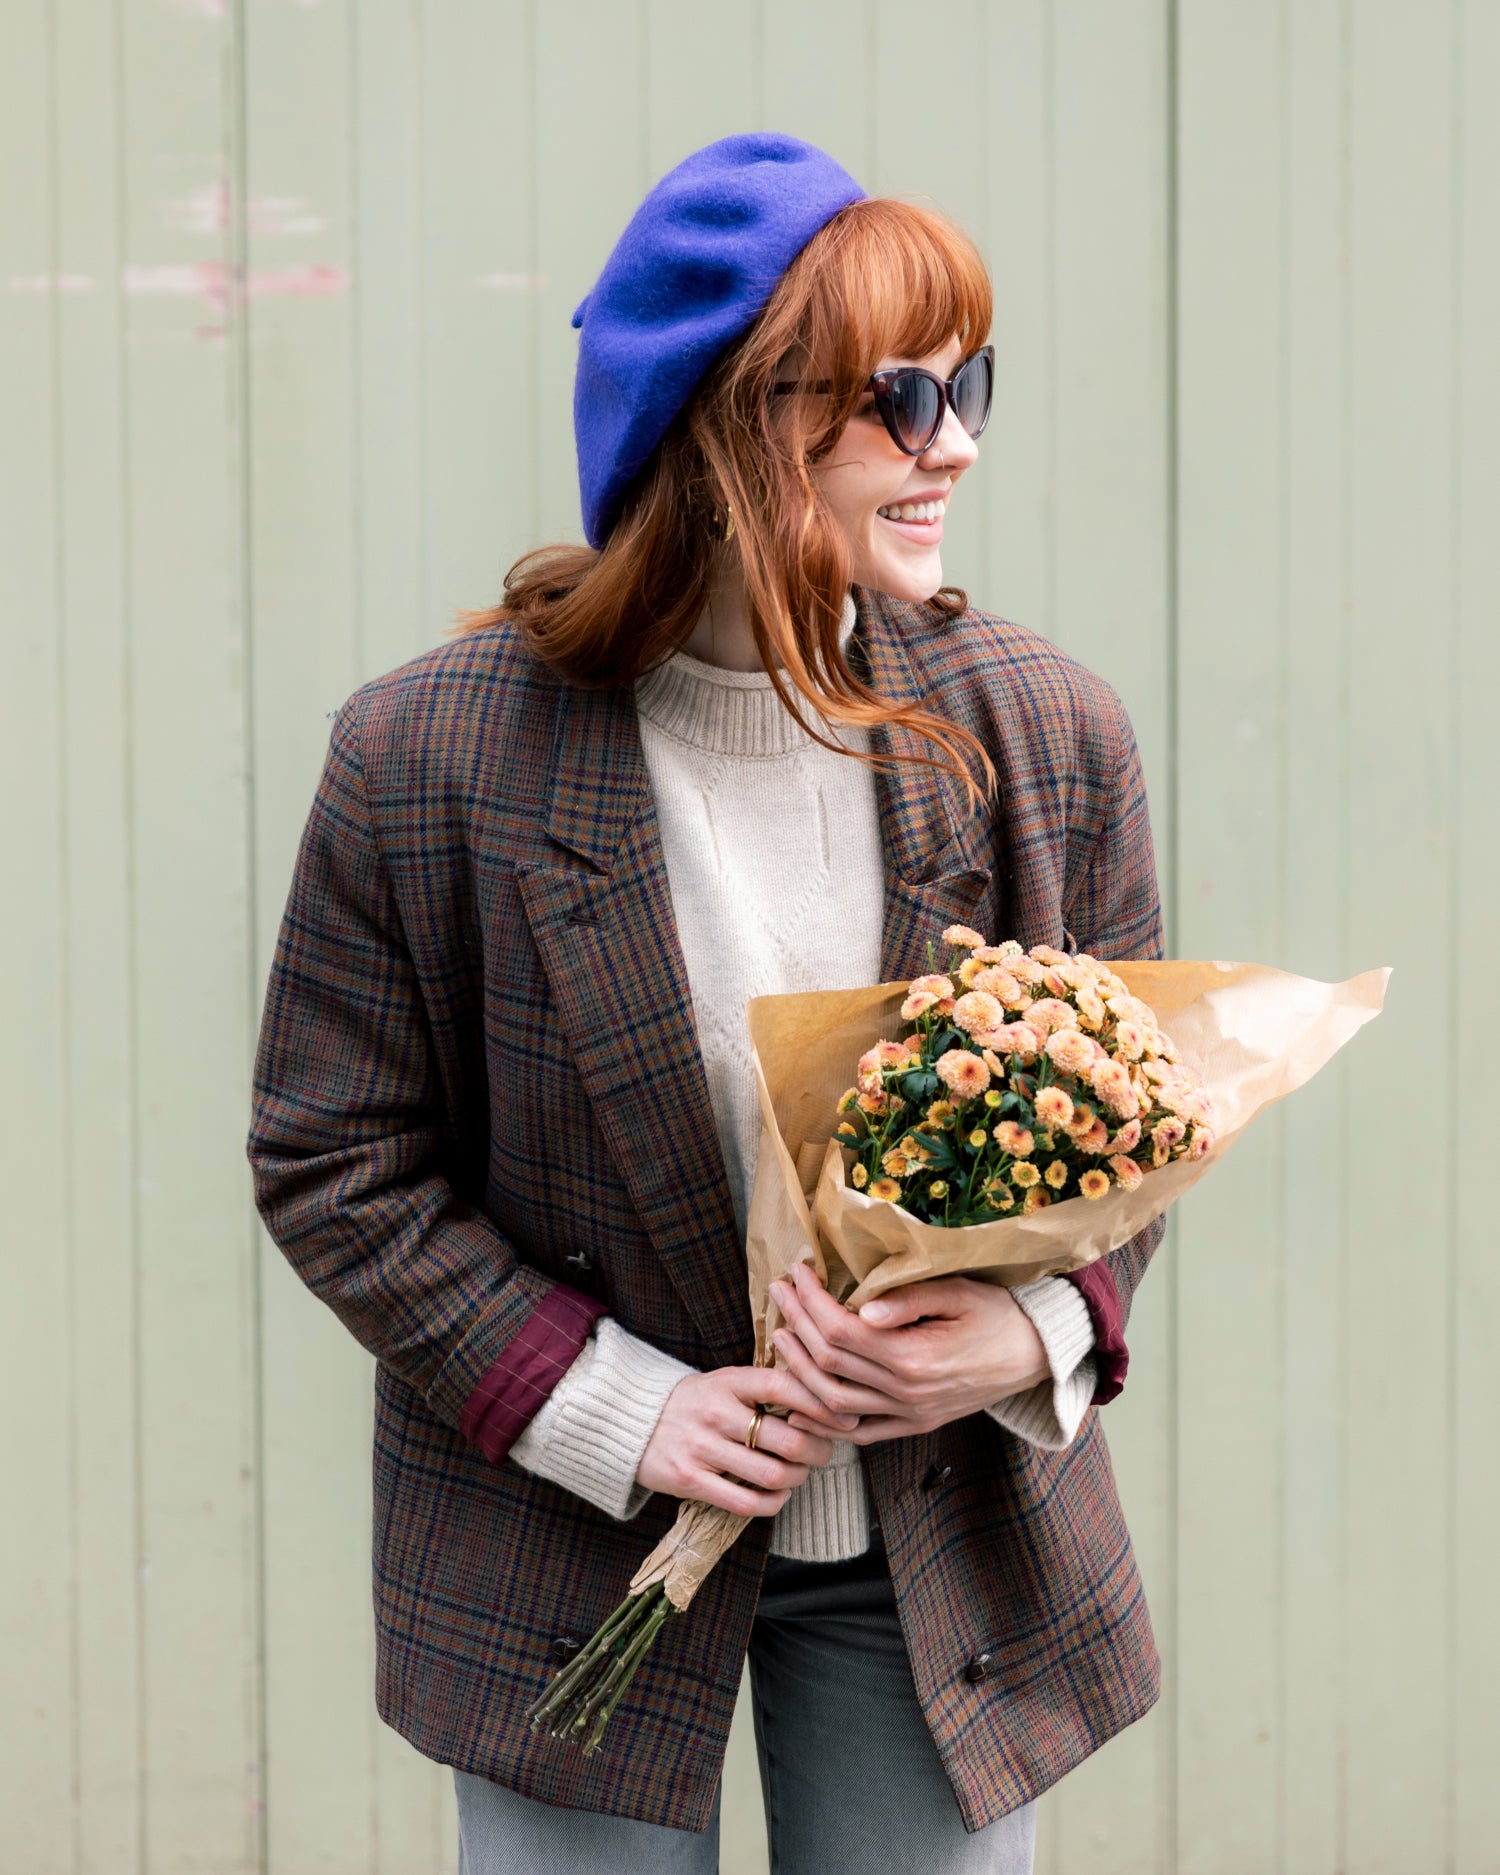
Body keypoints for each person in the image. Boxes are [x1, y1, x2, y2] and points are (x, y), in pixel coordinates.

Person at [248, 133, 1164, 1875]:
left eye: (970, 383)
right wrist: (618, 1407)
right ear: (736, 422)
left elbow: (1130, 1127)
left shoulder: (1044, 734)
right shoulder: (431, 757)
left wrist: (1035, 1333)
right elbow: (334, 1164)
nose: (957, 442)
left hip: (941, 1540)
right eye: (903, 397)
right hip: (564, 1540)